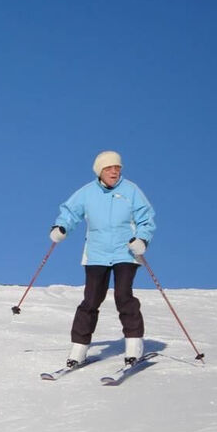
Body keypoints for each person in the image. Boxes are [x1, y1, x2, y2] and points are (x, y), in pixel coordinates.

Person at [49, 151, 155, 367]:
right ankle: (79, 349)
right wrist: (61, 227)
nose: (114, 171)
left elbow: (146, 218)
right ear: (100, 171)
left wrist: (142, 239)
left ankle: (134, 345)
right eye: (109, 168)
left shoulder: (131, 190)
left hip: (125, 252)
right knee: (91, 300)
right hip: (96, 253)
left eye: (117, 168)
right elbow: (70, 212)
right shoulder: (87, 193)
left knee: (123, 296)